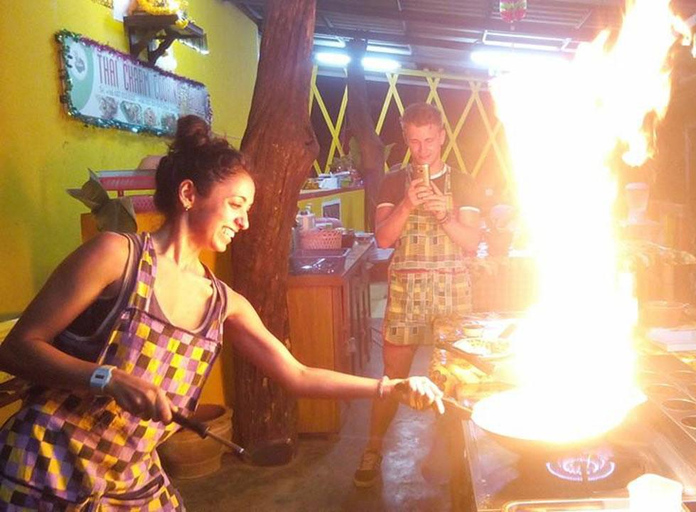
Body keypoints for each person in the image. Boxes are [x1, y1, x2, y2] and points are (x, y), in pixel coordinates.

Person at [0, 115, 444, 510]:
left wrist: (392, 385)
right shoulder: (116, 257)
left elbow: (298, 375)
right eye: (237, 205)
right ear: (189, 193)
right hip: (45, 468)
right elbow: (18, 349)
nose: (245, 222)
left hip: (128, 480)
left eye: (248, 209)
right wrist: (106, 378)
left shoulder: (223, 303)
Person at [353, 103, 482, 488]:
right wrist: (409, 202)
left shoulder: (464, 182)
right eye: (414, 142)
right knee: (393, 378)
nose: (423, 150)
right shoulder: (394, 182)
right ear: (406, 140)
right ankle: (372, 448)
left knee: (456, 379)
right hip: (407, 290)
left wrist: (446, 214)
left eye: (429, 140)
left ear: (442, 136)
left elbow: (472, 242)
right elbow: (383, 238)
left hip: (452, 291)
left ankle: (452, 454)